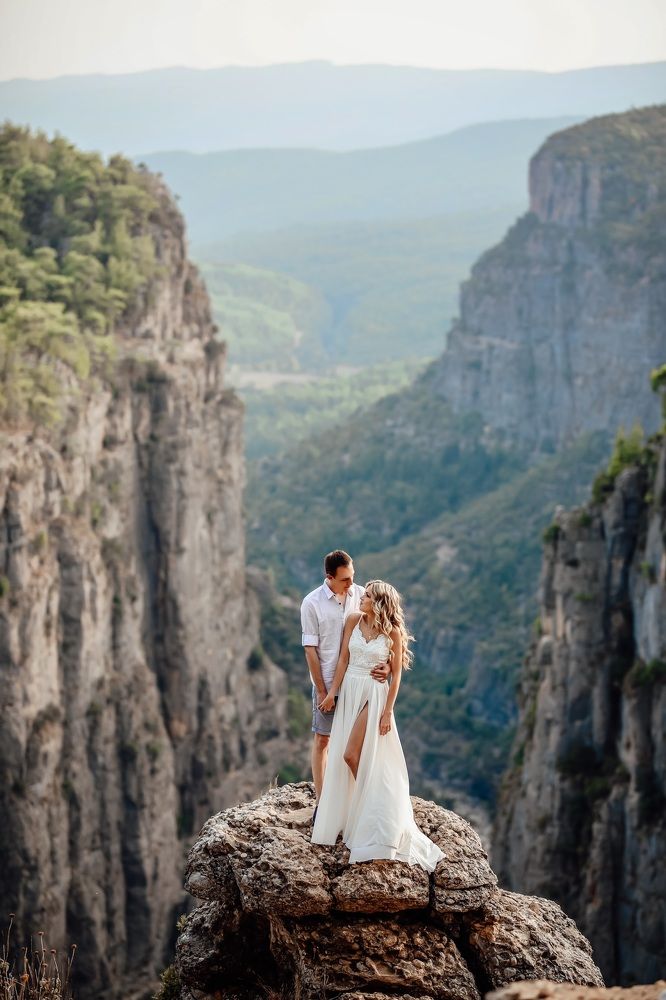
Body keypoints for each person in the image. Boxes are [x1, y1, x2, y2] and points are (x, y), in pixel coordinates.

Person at [311, 579, 444, 871]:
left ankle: (374, 807)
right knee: (350, 755)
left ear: (379, 602)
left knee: (350, 755)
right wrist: (332, 693)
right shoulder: (353, 620)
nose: (362, 597)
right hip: (350, 691)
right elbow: (344, 659)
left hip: (374, 694)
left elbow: (396, 676)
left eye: (368, 595)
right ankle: (362, 806)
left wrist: (387, 712)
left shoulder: (392, 631)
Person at [301, 550, 390, 809]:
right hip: (328, 682)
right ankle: (322, 803)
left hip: (358, 684)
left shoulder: (362, 595)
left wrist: (388, 665)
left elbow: (385, 633)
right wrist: (322, 690)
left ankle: (357, 801)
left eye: (353, 577)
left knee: (356, 745)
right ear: (329, 577)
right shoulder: (311, 603)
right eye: (345, 579)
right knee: (323, 740)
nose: (352, 584)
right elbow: (310, 650)